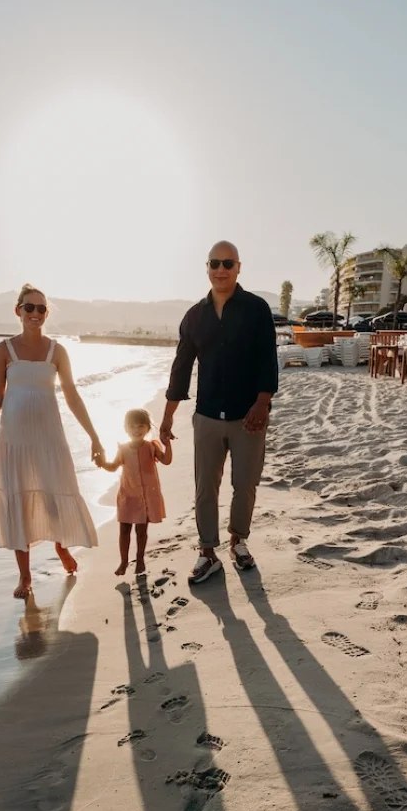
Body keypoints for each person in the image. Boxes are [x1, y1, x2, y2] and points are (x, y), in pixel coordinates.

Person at [160, 242, 278, 584]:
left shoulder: (257, 309)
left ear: (239, 267)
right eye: (215, 263)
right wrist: (167, 417)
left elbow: (267, 360)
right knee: (204, 487)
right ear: (207, 267)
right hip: (208, 414)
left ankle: (238, 541)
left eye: (228, 263)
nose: (221, 269)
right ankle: (207, 552)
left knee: (245, 484)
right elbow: (181, 369)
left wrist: (263, 402)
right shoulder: (195, 316)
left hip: (248, 415)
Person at [0, 284, 105, 599]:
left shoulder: (56, 351)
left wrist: (94, 436)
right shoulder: (4, 350)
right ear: (18, 311)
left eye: (41, 309)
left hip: (49, 439)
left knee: (52, 498)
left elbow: (72, 395)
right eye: (30, 308)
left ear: (46, 313)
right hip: (15, 441)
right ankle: (25, 576)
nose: (36, 314)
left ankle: (61, 546)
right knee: (19, 500)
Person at [99, 408, 172, 576]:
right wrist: (101, 461)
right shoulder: (123, 449)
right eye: (132, 427)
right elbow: (113, 467)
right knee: (124, 530)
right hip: (127, 495)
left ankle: (140, 559)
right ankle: (124, 561)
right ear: (125, 429)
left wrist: (168, 445)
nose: (136, 430)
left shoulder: (151, 447)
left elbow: (166, 461)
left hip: (145, 498)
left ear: (147, 428)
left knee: (141, 531)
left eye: (140, 426)